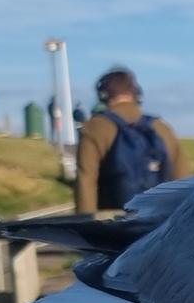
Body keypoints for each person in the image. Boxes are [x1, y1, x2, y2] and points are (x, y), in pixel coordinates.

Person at [74, 67, 186, 213]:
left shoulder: (96, 128)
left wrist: (86, 224)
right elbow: (182, 180)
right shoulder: (161, 128)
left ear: (103, 95)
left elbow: (86, 180)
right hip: (159, 222)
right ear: (137, 94)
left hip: (114, 224)